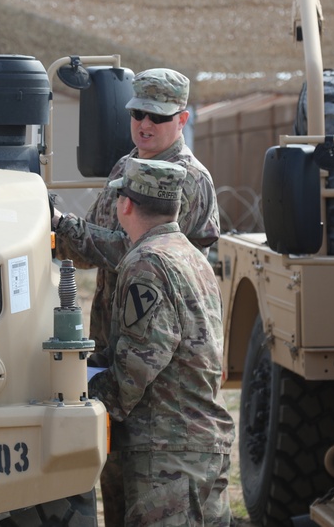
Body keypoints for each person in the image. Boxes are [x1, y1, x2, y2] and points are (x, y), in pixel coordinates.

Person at [52, 68, 220, 526]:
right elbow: (97, 243)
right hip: (121, 349)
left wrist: (62, 227)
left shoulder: (183, 180)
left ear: (182, 119)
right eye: (138, 113)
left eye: (157, 117)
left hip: (160, 382)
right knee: (123, 490)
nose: (144, 124)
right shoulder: (127, 167)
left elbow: (137, 247)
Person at [88, 158, 234, 526]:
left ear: (125, 205)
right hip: (201, 446)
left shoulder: (148, 263)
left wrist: (82, 396)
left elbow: (136, 367)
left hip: (168, 456)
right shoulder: (191, 257)